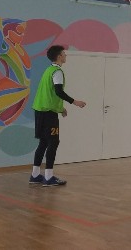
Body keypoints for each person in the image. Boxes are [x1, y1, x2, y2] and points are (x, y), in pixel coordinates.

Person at [30, 45, 86, 186]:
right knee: (53, 142)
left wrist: (60, 108)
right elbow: (58, 91)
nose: (66, 55)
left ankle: (35, 175)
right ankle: (49, 177)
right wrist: (75, 102)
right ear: (59, 56)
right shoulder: (57, 71)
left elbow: (49, 94)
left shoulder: (48, 70)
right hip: (48, 113)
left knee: (43, 142)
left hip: (40, 110)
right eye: (64, 54)